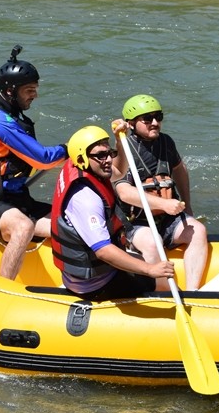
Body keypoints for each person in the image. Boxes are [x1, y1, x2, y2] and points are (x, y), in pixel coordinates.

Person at [0, 45, 68, 280]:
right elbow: (43, 159)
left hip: (18, 200)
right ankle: (3, 288)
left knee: (70, 224)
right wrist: (69, 150)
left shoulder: (7, 114)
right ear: (10, 91)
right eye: (29, 90)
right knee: (23, 227)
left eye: (35, 89)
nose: (35, 95)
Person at [50, 126, 175, 299]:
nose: (108, 160)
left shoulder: (82, 165)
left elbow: (120, 172)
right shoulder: (85, 199)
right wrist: (150, 270)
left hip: (96, 270)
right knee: (160, 281)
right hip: (95, 284)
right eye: (101, 155)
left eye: (110, 153)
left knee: (148, 264)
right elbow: (103, 251)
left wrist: (119, 141)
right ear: (82, 158)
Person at [110, 94, 209, 290]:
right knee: (153, 244)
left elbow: (180, 170)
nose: (154, 123)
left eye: (158, 117)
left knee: (198, 231)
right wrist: (164, 204)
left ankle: (193, 292)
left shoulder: (166, 142)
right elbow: (124, 193)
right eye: (147, 119)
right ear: (131, 123)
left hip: (167, 220)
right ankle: (162, 292)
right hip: (136, 224)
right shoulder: (124, 150)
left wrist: (187, 205)